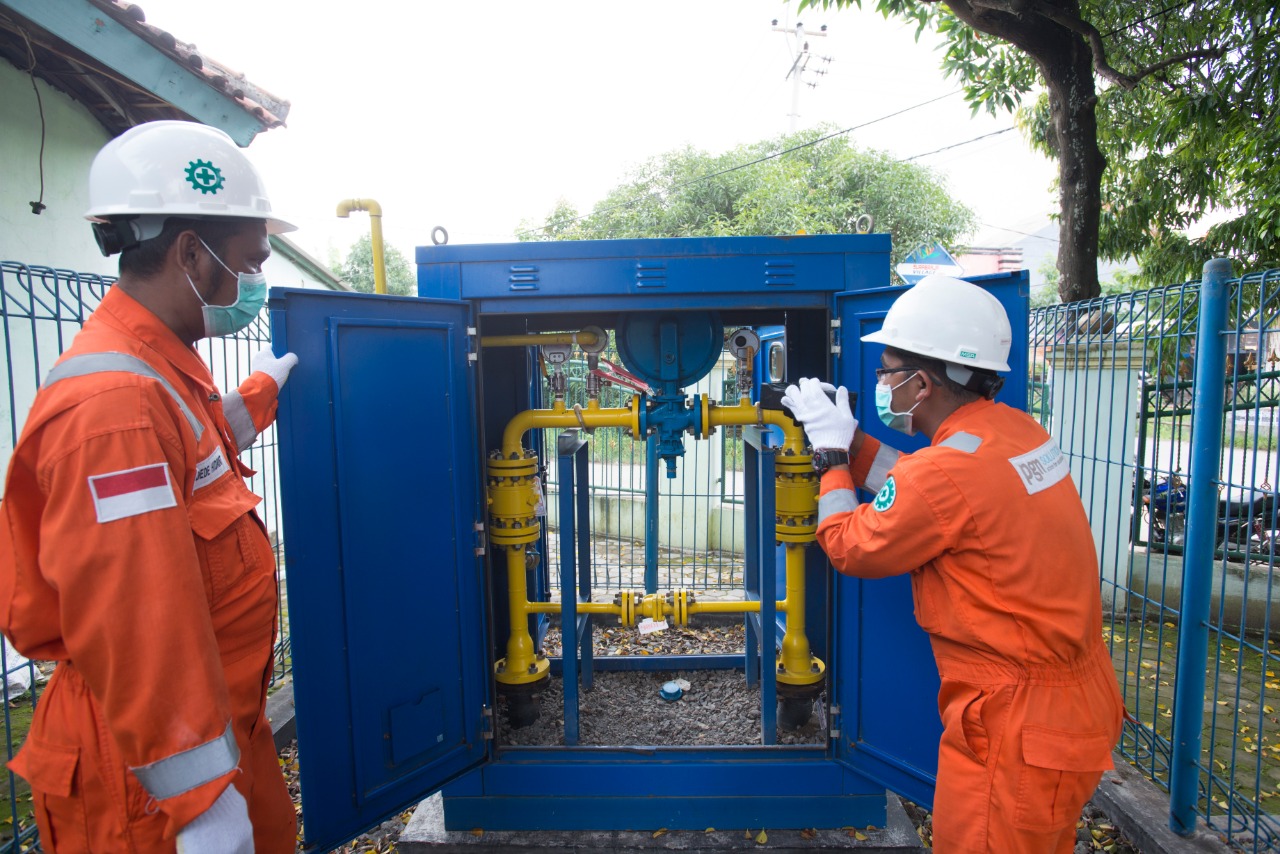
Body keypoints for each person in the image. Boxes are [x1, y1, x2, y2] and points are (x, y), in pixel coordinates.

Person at [0, 121, 300, 853]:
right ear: (190, 253)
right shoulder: (117, 412)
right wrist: (201, 806)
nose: (253, 283)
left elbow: (200, 449)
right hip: (147, 778)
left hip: (217, 739)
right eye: (249, 262)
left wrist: (268, 389)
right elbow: (136, 620)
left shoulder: (159, 373)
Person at [782, 275, 1124, 854]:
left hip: (1016, 728)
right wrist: (854, 439)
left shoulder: (945, 471)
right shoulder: (1015, 433)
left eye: (889, 370)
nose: (882, 381)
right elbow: (931, 497)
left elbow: (851, 545)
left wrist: (832, 455)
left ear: (923, 381)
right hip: (1073, 703)